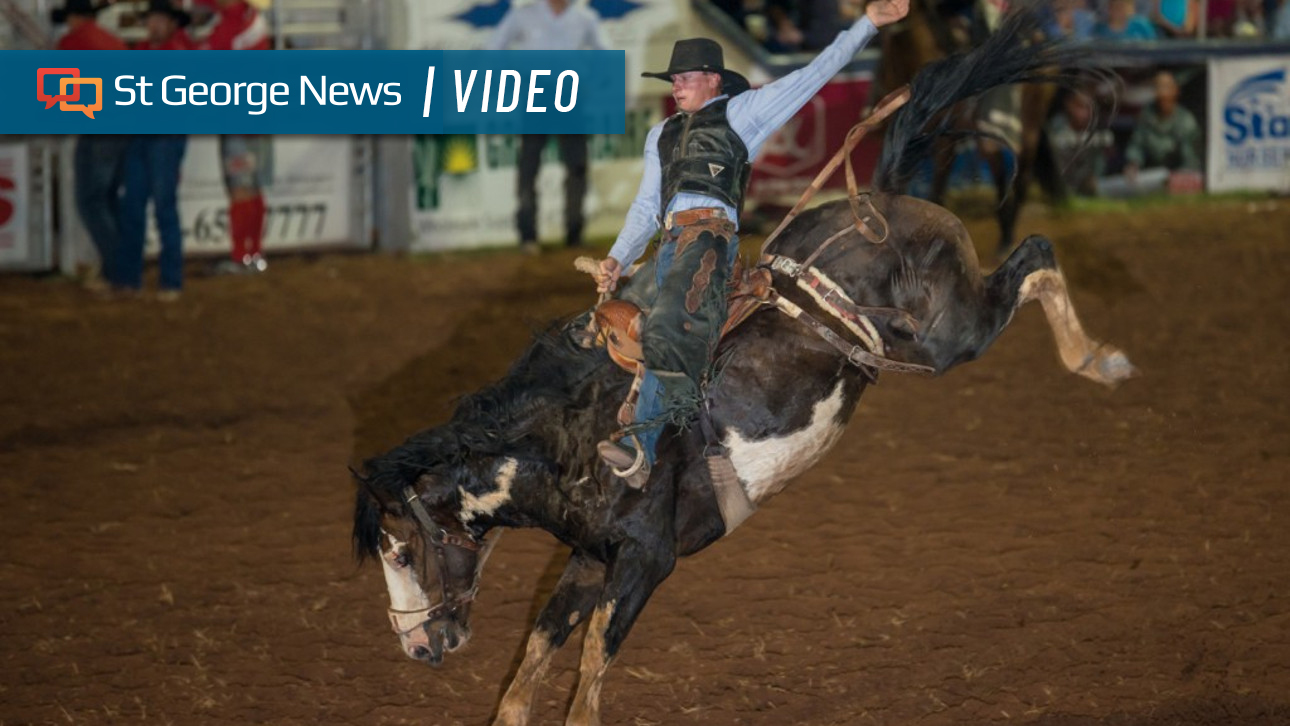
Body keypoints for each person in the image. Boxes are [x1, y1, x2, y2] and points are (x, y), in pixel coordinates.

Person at [592, 0, 911, 487]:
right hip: (669, 247)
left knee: (670, 325)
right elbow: (645, 208)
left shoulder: (745, 113)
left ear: (714, 80)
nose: (675, 85)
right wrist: (617, 257)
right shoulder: (660, 134)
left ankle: (641, 448)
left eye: (685, 76)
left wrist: (867, 24)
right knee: (596, 330)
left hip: (708, 246)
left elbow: (814, 74)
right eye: (673, 79)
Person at [487, 0, 606, 253]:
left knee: (576, 165)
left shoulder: (584, 16)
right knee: (529, 165)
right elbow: (495, 47)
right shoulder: (525, 15)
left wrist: (593, 83)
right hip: (535, 93)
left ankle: (574, 233)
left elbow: (604, 53)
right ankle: (527, 235)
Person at [53, 0, 131, 296]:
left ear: (73, 17)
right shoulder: (114, 41)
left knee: (91, 200)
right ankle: (124, 270)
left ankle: (117, 272)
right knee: (108, 199)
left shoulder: (71, 42)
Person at [118, 0, 193, 302]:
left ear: (172, 23)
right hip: (151, 135)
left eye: (160, 20)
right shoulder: (153, 50)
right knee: (137, 205)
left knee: (157, 206)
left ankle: (160, 280)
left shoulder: (174, 51)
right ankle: (143, 279)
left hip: (163, 135)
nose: (155, 25)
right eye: (152, 19)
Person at [199, 0, 273, 273]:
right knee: (251, 185)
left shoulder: (235, 23)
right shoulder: (250, 20)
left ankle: (242, 255)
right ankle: (253, 254)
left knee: (240, 186)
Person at [1092, 0, 1159, 38]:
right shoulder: (1099, 31)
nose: (1120, 10)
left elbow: (1153, 51)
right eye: (1116, 6)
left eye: (1123, 6)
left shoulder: (1142, 26)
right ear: (1109, 9)